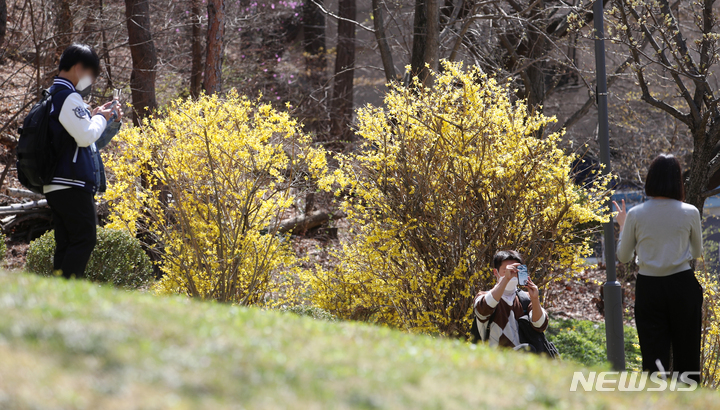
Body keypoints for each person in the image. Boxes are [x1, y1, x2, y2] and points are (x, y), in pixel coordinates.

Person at [615, 154, 703, 383]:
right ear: (678, 181)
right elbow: (696, 253)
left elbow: (623, 256)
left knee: (654, 358)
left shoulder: (635, 214)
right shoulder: (690, 211)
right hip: (683, 285)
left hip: (649, 288)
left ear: (651, 179)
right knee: (688, 356)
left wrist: (623, 226)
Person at [45, 43, 124, 279]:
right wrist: (100, 117)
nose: (91, 80)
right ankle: (67, 296)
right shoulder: (69, 97)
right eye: (92, 74)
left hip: (55, 182)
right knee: (84, 239)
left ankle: (57, 298)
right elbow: (85, 136)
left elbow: (71, 137)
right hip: (72, 182)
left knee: (67, 242)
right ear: (79, 68)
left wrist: (93, 116)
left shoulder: (52, 95)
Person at [473, 250, 549, 349]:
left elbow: (540, 325)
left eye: (515, 271)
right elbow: (483, 309)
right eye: (507, 271)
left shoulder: (525, 298)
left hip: (522, 360)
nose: (512, 275)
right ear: (496, 272)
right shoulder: (484, 296)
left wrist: (535, 299)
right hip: (495, 360)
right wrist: (505, 280)